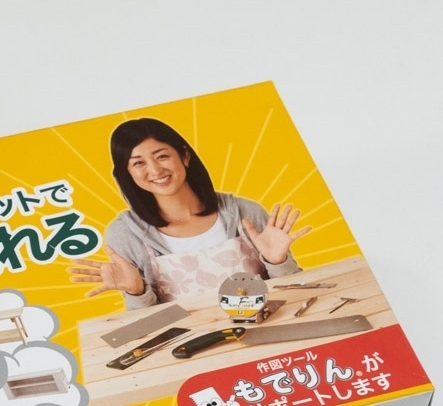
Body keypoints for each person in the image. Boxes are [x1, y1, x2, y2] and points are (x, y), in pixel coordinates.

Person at [70, 117, 310, 308]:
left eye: (162, 156)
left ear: (184, 156)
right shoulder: (125, 234)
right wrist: (136, 291)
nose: (155, 170)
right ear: (128, 173)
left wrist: (278, 262)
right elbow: (145, 329)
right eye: (138, 163)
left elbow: (298, 295)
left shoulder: (245, 212)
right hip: (191, 348)